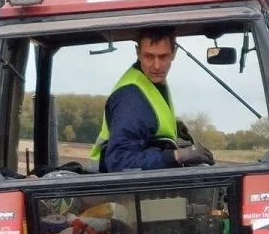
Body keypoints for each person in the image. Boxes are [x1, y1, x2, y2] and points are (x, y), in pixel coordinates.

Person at [90, 26, 215, 173]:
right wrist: (177, 156)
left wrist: (173, 129)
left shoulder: (151, 82)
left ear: (174, 53)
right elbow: (120, 161)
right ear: (138, 53)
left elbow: (145, 121)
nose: (156, 66)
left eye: (163, 57)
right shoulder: (131, 98)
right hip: (113, 185)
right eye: (149, 56)